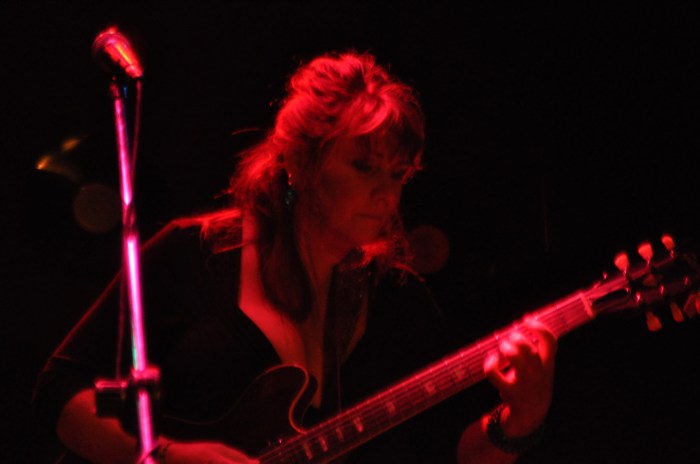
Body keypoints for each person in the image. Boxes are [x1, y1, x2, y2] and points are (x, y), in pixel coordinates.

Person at [32, 51, 557, 463]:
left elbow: (453, 451)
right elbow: (59, 391)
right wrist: (164, 456)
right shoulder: (196, 256)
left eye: (398, 174)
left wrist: (521, 418)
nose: (386, 193)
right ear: (301, 161)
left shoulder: (398, 302)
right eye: (364, 167)